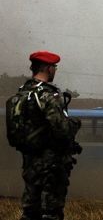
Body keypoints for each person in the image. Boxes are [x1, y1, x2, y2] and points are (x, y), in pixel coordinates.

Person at [5, 51, 81, 220]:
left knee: (30, 211)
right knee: (51, 212)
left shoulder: (22, 93)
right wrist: (75, 123)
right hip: (51, 166)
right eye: (54, 67)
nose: (55, 70)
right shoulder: (48, 96)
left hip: (30, 163)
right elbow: (62, 130)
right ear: (47, 68)